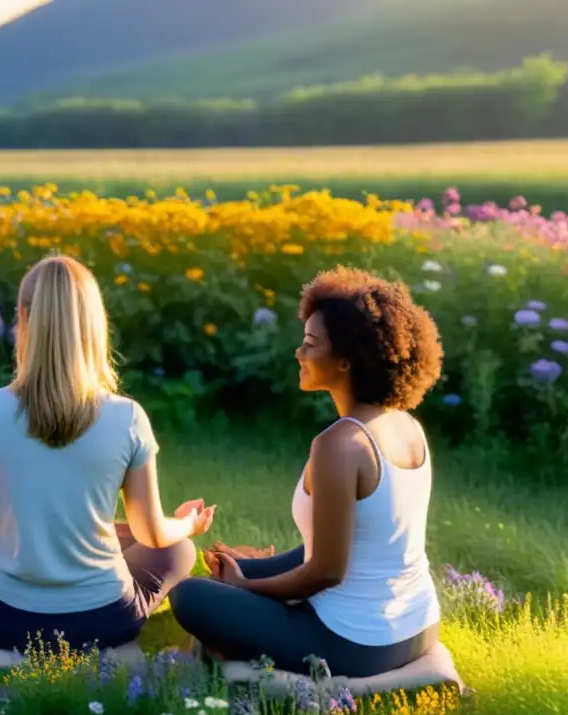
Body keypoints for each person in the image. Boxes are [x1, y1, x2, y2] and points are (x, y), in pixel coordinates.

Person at [0, 253, 213, 653]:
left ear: (24, 318)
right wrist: (188, 524)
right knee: (179, 548)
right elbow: (153, 533)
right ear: (94, 323)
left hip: (1, 620)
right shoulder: (127, 416)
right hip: (106, 619)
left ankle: (14, 554)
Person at [170, 267, 444, 678]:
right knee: (224, 584)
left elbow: (325, 572)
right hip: (418, 628)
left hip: (355, 645)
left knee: (190, 596)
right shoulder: (407, 427)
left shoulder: (340, 446)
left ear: (347, 360)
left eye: (311, 344)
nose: (299, 353)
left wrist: (246, 588)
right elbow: (343, 547)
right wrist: (248, 570)